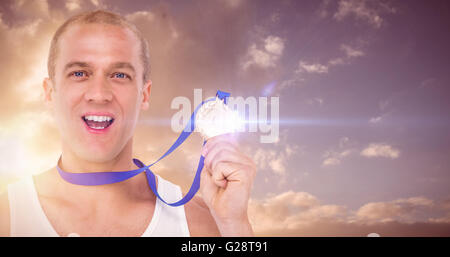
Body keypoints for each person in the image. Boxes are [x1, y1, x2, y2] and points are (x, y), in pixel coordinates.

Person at [0, 10, 256, 237]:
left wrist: (235, 227)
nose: (99, 94)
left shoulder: (202, 224)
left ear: (144, 94)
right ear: (49, 91)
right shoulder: (6, 216)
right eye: (79, 73)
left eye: (119, 75)